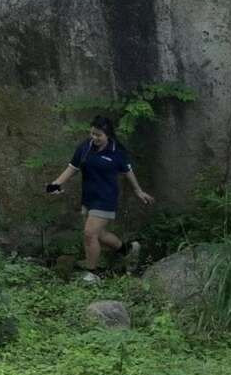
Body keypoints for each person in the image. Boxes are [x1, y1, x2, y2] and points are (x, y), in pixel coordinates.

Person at [46, 115, 154, 279]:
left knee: (89, 234)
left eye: (98, 135)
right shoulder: (85, 147)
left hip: (106, 198)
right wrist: (56, 183)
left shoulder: (117, 151)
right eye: (93, 133)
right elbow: (72, 168)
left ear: (108, 135)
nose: (94, 137)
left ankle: (92, 273)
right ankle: (128, 250)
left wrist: (138, 191)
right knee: (100, 235)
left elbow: (128, 172)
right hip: (89, 197)